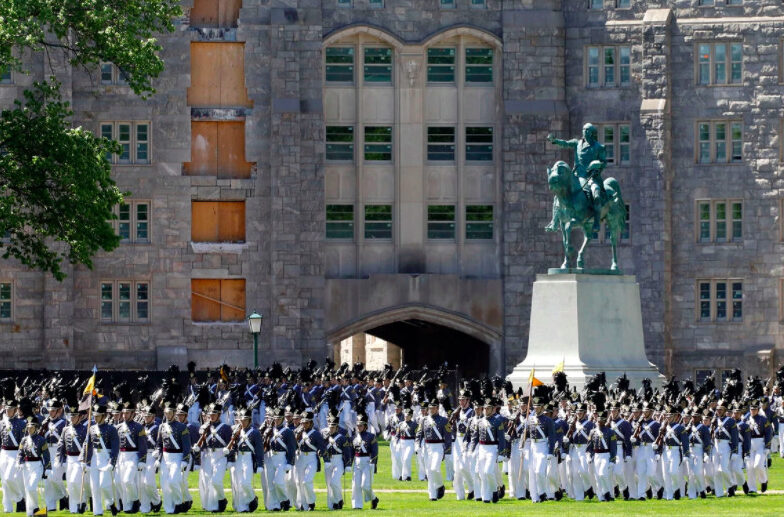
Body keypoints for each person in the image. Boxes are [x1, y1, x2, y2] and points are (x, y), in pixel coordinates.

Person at [546, 122, 607, 233]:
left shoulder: (598, 147)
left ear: (592, 133)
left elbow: (604, 162)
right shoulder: (577, 143)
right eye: (584, 130)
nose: (585, 132)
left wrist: (597, 166)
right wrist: (554, 141)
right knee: (558, 194)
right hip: (576, 176)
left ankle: (597, 221)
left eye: (587, 130)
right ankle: (554, 221)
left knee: (596, 194)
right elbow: (565, 143)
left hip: (591, 177)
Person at [193, 402, 230, 512]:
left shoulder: (226, 428)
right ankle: (211, 506)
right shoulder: (204, 427)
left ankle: (222, 499)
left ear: (219, 414)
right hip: (208, 455)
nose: (212, 416)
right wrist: (197, 449)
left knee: (216, 480)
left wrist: (230, 458)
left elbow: (231, 445)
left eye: (214, 414)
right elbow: (203, 444)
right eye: (210, 414)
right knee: (207, 481)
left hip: (220, 455)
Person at [85, 404, 119, 516]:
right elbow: (88, 446)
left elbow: (115, 448)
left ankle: (111, 502)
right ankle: (97, 511)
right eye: (94, 415)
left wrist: (112, 462)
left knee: (104, 485)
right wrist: (85, 461)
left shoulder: (112, 429)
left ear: (104, 416)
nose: (95, 418)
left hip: (106, 457)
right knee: (94, 487)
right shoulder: (91, 428)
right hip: (95, 458)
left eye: (98, 416)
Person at [228, 408, 262, 513]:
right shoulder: (236, 431)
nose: (243, 422)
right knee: (238, 483)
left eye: (245, 420)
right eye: (241, 420)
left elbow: (259, 449)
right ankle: (243, 507)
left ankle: (252, 498)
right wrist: (231, 458)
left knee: (246, 483)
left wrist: (260, 464)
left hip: (248, 457)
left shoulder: (255, 432)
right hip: (239, 458)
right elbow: (233, 446)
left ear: (249, 420)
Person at [416, 399, 451, 501]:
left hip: (438, 446)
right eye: (430, 408)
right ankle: (432, 495)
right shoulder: (424, 420)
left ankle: (440, 485)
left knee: (434, 468)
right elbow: (419, 433)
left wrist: (447, 450)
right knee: (429, 472)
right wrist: (417, 445)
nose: (431, 410)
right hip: (427, 447)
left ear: (437, 408)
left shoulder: (444, 420)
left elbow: (448, 437)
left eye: (433, 408)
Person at [115, 401, 147, 513]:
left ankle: (135, 500)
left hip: (133, 455)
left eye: (127, 413)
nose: (124, 415)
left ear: (133, 414)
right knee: (119, 482)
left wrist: (142, 460)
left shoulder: (139, 427)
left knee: (127, 480)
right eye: (123, 413)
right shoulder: (118, 427)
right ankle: (127, 506)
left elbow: (143, 445)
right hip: (120, 456)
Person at [16, 417, 51, 517]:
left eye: (31, 427)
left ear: (36, 428)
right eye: (28, 427)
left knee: (31, 488)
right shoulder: (24, 440)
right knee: (28, 490)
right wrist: (19, 462)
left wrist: (48, 468)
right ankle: (31, 512)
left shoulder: (41, 440)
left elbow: (46, 455)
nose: (29, 429)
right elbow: (20, 453)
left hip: (37, 466)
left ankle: (36, 508)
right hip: (26, 467)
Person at [58, 407, 90, 513]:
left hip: (79, 459)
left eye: (74, 416)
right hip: (69, 459)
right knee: (70, 484)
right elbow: (61, 445)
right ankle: (74, 507)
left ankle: (82, 501)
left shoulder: (85, 429)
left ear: (80, 417)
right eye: (71, 416)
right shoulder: (65, 429)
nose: (72, 418)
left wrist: (86, 460)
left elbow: (88, 446)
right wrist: (59, 459)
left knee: (75, 482)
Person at [264, 407, 296, 511]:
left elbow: (291, 448)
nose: (277, 420)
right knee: (271, 484)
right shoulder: (270, 430)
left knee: (278, 482)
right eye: (275, 418)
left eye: (279, 418)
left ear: (283, 419)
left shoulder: (287, 431)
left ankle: (285, 500)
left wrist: (290, 462)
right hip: (271, 457)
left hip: (282, 458)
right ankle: (275, 505)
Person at [42, 398, 68, 512]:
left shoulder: (64, 423)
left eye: (53, 410)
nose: (51, 412)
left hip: (58, 452)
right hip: (47, 451)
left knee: (55, 477)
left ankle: (65, 495)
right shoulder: (45, 423)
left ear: (59, 411)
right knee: (47, 481)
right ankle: (51, 506)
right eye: (50, 410)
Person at [1, 399, 26, 513]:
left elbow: (23, 442)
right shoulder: (1, 423)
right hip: (3, 452)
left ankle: (20, 498)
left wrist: (21, 456)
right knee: (4, 482)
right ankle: (7, 507)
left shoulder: (21, 423)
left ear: (15, 410)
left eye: (10, 409)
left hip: (14, 453)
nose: (7, 410)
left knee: (9, 478)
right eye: (6, 408)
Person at [586, 411, 617, 502]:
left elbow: (613, 447)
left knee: (602, 474)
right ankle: (601, 496)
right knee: (597, 477)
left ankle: (607, 492)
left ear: (605, 421)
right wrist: (588, 455)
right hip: (596, 456)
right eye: (599, 420)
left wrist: (612, 460)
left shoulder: (610, 431)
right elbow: (589, 447)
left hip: (606, 455)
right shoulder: (592, 432)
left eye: (602, 420)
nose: (600, 422)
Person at [350, 414, 379, 510]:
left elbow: (375, 451)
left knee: (365, 485)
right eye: (357, 425)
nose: (358, 427)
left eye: (361, 425)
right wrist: (348, 463)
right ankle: (357, 505)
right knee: (356, 485)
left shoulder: (371, 436)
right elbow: (351, 452)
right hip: (357, 461)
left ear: (365, 426)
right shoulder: (354, 437)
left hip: (367, 462)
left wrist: (373, 462)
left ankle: (374, 498)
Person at [322, 413, 349, 510]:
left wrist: (348, 464)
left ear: (337, 427)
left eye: (333, 427)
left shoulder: (341, 438)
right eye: (330, 427)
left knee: (334, 481)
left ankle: (339, 499)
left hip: (338, 460)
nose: (331, 429)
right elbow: (321, 447)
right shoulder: (325, 436)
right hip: (328, 461)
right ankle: (334, 503)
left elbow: (347, 452)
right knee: (329, 484)